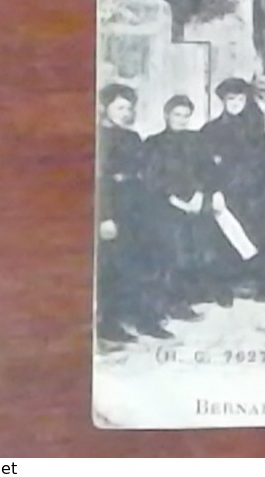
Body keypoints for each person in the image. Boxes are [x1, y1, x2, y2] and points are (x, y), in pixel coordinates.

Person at [200, 78, 265, 304]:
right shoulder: (211, 129)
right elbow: (205, 166)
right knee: (226, 239)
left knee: (264, 235)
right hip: (230, 191)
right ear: (223, 101)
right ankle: (224, 288)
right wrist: (214, 192)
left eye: (240, 99)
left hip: (258, 190)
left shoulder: (257, 125)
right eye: (230, 99)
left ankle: (263, 287)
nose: (235, 103)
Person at [97, 84, 172, 343]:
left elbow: (147, 171)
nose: (126, 113)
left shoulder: (132, 137)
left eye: (129, 108)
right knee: (113, 268)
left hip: (139, 206)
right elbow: (100, 181)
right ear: (104, 108)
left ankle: (146, 319)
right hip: (114, 207)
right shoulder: (99, 137)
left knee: (144, 263)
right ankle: (110, 324)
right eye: (120, 107)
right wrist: (105, 216)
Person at [143, 95, 220, 315]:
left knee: (199, 246)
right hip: (166, 203)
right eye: (177, 115)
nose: (181, 120)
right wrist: (173, 198)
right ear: (167, 115)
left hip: (194, 201)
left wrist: (200, 194)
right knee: (174, 250)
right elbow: (152, 178)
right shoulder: (153, 142)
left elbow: (208, 170)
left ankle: (194, 291)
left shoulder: (196, 140)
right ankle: (173, 302)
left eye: (186, 116)